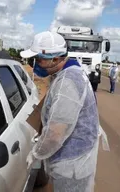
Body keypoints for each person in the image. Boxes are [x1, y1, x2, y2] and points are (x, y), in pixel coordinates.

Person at [21, 31, 101, 192]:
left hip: (71, 165)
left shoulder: (67, 82)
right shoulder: (70, 72)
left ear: (55, 59)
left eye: (39, 59)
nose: (34, 63)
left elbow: (56, 134)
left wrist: (37, 153)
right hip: (75, 160)